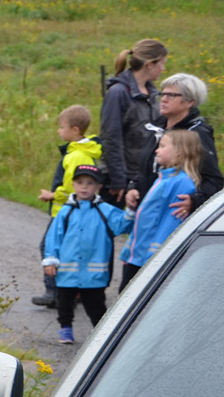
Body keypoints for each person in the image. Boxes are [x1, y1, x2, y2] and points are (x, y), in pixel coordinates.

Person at [41, 164, 132, 345]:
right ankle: (65, 328)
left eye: (90, 183)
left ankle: (102, 333)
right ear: (73, 185)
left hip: (94, 274)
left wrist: (131, 211)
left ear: (98, 187)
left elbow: (123, 225)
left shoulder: (105, 210)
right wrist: (50, 259)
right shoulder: (66, 211)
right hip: (67, 270)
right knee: (64, 301)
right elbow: (54, 237)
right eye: (80, 182)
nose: (84, 187)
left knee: (96, 304)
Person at [31, 104, 102, 309]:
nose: (58, 131)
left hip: (64, 211)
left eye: (62, 127)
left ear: (75, 130)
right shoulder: (83, 152)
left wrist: (52, 195)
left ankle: (53, 291)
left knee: (49, 247)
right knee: (69, 249)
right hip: (72, 211)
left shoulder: (76, 156)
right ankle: (73, 291)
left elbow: (72, 186)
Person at [125, 73, 222, 219]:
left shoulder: (196, 134)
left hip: (173, 216)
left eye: (171, 95)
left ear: (190, 102)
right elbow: (147, 168)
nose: (163, 99)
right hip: (148, 213)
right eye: (162, 94)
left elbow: (214, 180)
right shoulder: (157, 127)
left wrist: (194, 201)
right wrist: (134, 187)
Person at [120, 128, 203, 291]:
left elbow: (170, 224)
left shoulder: (182, 183)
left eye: (163, 146)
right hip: (138, 256)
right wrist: (129, 252)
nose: (157, 150)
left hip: (149, 260)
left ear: (179, 152)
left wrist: (155, 258)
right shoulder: (164, 178)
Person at [99, 38, 167, 207]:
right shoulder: (118, 93)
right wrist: (118, 180)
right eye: (162, 64)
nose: (163, 69)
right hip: (119, 181)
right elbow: (111, 138)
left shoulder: (153, 94)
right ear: (149, 64)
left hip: (142, 177)